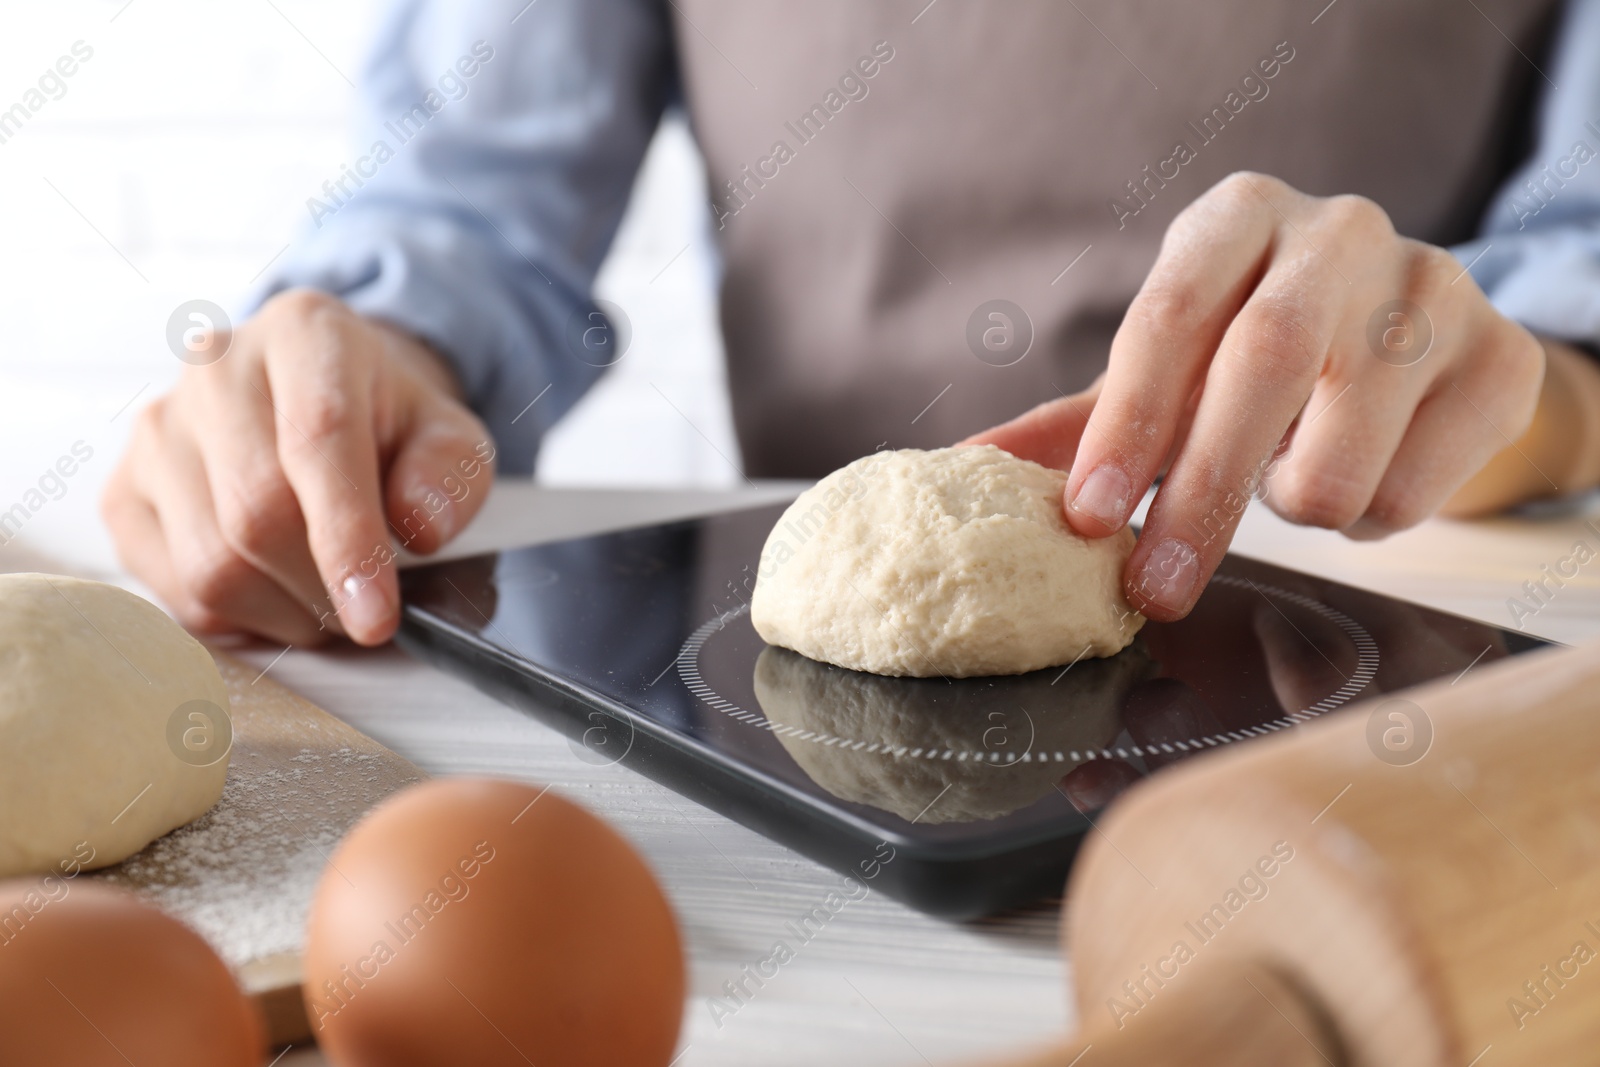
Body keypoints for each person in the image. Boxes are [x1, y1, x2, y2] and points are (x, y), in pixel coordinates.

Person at [103, 0, 1600, 648]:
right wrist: (367, 354)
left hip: (1382, 631)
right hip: (805, 730)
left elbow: (1579, 283)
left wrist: (1511, 386)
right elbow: (473, 203)